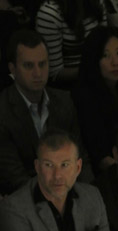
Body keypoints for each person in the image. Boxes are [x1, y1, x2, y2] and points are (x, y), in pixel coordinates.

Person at [0, 29, 92, 196]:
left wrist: (86, 196)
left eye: (42, 64)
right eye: (29, 66)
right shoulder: (3, 112)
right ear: (12, 69)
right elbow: (14, 177)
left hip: (69, 192)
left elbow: (80, 157)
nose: (38, 73)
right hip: (27, 199)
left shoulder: (64, 101)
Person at [72, 25, 118, 174]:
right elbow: (98, 153)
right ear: (94, 59)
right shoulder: (84, 97)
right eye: (106, 56)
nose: (115, 62)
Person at [35, 0, 107, 87]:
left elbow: (105, 43)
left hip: (102, 74)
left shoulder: (97, 2)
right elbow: (54, 73)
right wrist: (93, 69)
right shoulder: (50, 13)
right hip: (71, 84)